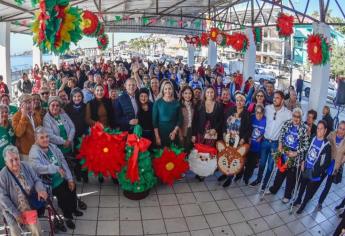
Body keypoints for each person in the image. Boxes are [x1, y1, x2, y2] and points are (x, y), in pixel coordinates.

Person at [29, 127, 85, 230]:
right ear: (36, 139)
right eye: (42, 138)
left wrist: (70, 179)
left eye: (46, 137)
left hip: (61, 178)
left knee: (72, 187)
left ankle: (73, 209)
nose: (45, 139)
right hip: (48, 183)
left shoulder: (52, 147)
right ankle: (68, 216)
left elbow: (63, 162)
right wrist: (55, 168)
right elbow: (37, 168)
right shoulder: (34, 152)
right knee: (64, 194)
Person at [0, 145, 48, 236]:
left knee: (37, 231)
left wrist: (40, 189)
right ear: (6, 162)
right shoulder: (2, 175)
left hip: (28, 206)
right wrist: (16, 214)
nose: (15, 163)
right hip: (12, 210)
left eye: (16, 159)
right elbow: (3, 198)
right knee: (15, 232)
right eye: (11, 160)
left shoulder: (26, 166)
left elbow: (36, 180)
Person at [250, 91, 292, 189]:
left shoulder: (287, 113)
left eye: (277, 98)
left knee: (270, 166)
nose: (274, 99)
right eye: (274, 97)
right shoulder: (268, 108)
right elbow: (258, 111)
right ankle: (258, 179)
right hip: (264, 141)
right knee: (262, 163)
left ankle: (264, 184)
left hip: (276, 144)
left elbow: (296, 119)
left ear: (282, 100)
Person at [268, 108, 310, 203]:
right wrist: (280, 145)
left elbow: (306, 145)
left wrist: (296, 152)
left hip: (294, 155)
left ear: (301, 118)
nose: (296, 118)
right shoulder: (287, 124)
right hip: (284, 152)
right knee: (280, 173)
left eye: (298, 117)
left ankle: (287, 195)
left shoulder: (304, 129)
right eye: (294, 116)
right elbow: (281, 136)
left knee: (291, 177)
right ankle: (273, 189)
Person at [293, 120, 332, 214]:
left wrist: (316, 171)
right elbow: (307, 150)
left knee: (308, 191)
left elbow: (326, 163)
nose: (318, 130)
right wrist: (303, 162)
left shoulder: (327, 145)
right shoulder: (313, 138)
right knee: (302, 186)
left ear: (325, 130)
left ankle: (303, 206)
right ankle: (298, 200)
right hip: (306, 167)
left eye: (321, 129)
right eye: (318, 128)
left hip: (314, 172)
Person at [218, 92, 252, 187]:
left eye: (241, 101)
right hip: (229, 139)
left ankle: (230, 177)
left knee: (235, 158)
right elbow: (224, 124)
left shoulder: (247, 114)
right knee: (227, 156)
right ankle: (225, 173)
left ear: (244, 102)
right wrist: (224, 133)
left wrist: (243, 139)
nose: (239, 102)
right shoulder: (230, 110)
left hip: (239, 140)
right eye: (237, 100)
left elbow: (249, 129)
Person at [317, 121, 345, 210]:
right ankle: (309, 197)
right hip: (326, 164)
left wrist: (342, 161)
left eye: (344, 129)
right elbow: (324, 146)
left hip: (335, 167)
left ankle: (320, 202)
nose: (341, 131)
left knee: (327, 186)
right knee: (318, 181)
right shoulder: (331, 135)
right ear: (337, 127)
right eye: (340, 128)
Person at [65, 88, 89, 182]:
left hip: (83, 135)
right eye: (74, 96)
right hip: (72, 136)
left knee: (84, 156)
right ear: (71, 97)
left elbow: (88, 120)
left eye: (79, 96)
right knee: (75, 156)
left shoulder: (86, 106)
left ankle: (85, 175)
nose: (77, 98)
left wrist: (86, 133)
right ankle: (78, 174)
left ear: (82, 97)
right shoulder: (67, 107)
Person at [12, 95, 43, 161]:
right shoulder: (16, 116)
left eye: (30, 102)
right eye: (26, 102)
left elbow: (39, 128)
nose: (28, 104)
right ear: (21, 105)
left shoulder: (35, 113)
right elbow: (18, 133)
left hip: (38, 148)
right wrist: (23, 116)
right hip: (25, 152)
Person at [153, 80, 182, 147]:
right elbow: (154, 122)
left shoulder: (177, 103)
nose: (168, 91)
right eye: (165, 89)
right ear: (162, 90)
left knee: (174, 154)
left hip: (174, 132)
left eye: (169, 88)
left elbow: (180, 119)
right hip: (161, 133)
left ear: (172, 90)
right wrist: (157, 137)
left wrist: (174, 132)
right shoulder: (157, 103)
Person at [243, 105, 266, 185]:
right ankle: (244, 175)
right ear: (255, 112)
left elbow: (266, 131)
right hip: (249, 144)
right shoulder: (252, 118)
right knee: (246, 161)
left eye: (261, 113)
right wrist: (248, 137)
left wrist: (261, 137)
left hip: (257, 147)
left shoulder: (265, 120)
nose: (259, 115)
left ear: (263, 113)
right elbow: (246, 128)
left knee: (252, 164)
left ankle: (247, 178)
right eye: (257, 113)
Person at [179, 86, 195, 152]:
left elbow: (194, 120)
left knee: (189, 150)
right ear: (182, 94)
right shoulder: (179, 105)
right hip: (181, 131)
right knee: (182, 150)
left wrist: (193, 134)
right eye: (185, 93)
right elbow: (177, 122)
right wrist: (180, 135)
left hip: (190, 130)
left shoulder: (193, 105)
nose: (188, 95)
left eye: (189, 93)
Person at [0, 104, 15, 169]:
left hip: (13, 158)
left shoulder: (11, 125)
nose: (4, 114)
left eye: (6, 112)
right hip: (2, 162)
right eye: (2, 112)